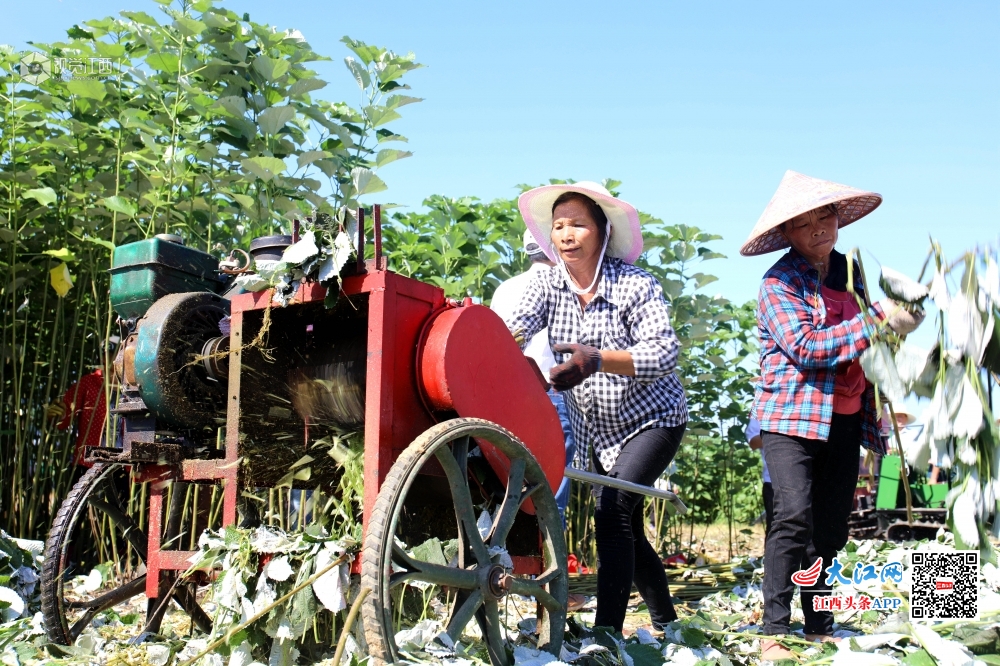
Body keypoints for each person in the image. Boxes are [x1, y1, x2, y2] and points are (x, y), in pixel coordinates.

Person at [740, 171, 925, 659]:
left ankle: (820, 620)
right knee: (793, 514)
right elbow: (807, 346)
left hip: (845, 416)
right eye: (803, 223)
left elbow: (866, 339)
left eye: (824, 215)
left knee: (831, 526)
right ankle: (775, 626)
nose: (817, 228)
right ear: (788, 234)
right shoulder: (779, 282)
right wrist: (878, 319)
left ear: (837, 218)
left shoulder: (850, 272)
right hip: (791, 418)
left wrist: (895, 329)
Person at [505, 181, 687, 633]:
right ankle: (666, 620)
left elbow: (665, 353)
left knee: (611, 515)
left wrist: (599, 360)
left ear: (602, 233)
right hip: (598, 432)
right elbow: (514, 328)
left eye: (578, 225)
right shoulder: (548, 283)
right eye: (559, 225)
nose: (566, 234)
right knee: (625, 526)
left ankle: (606, 637)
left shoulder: (634, 285)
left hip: (652, 419)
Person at [490, 230, 577, 524]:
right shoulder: (566, 288)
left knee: (512, 479)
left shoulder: (504, 289)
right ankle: (552, 560)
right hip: (554, 394)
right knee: (553, 484)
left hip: (509, 395)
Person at [47, 367, 108, 467]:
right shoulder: (89, 382)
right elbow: (66, 413)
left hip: (125, 465)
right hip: (88, 462)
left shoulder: (135, 385)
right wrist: (58, 413)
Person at [745, 416, 772, 536]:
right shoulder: (761, 407)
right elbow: (753, 441)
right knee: (776, 526)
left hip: (811, 478)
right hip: (773, 480)